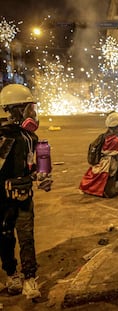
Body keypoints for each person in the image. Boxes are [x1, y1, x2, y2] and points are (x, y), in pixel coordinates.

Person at [0, 84, 44, 299]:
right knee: (5, 236)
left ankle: (30, 278)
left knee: (27, 237)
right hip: (4, 198)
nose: (32, 113)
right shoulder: (4, 136)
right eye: (28, 108)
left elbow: (30, 166)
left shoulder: (30, 138)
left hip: (24, 197)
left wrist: (39, 176)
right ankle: (11, 273)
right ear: (15, 110)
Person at [79, 112, 118, 197]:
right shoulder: (116, 141)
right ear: (117, 127)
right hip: (108, 166)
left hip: (100, 163)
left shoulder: (104, 136)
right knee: (110, 190)